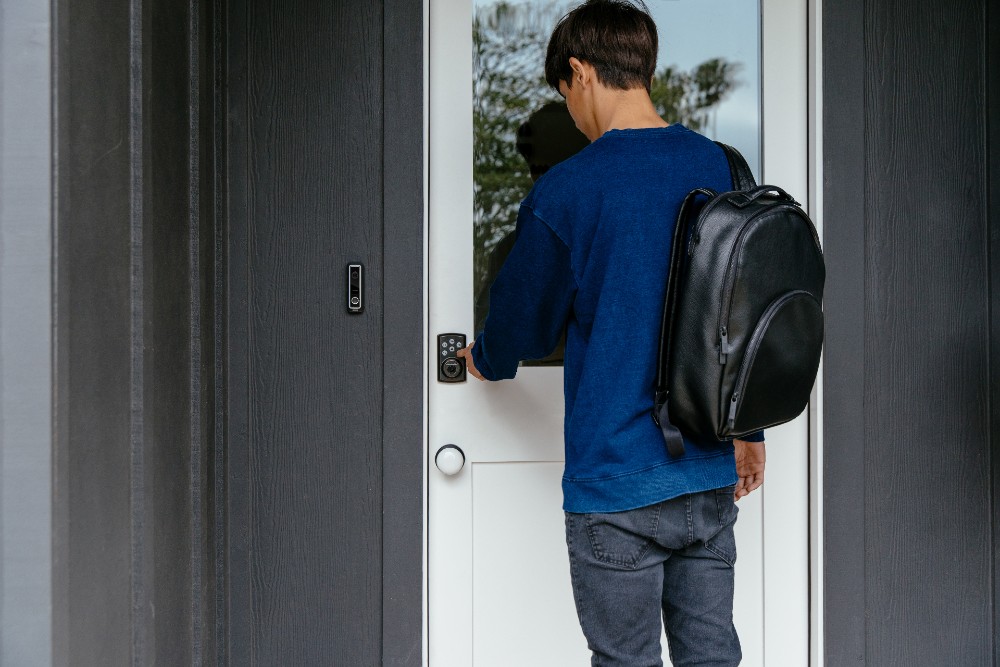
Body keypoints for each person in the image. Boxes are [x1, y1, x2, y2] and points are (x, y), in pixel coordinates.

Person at [457, 1, 766, 665]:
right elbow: (745, 310)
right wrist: (750, 430)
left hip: (617, 485)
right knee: (712, 658)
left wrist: (484, 357)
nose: (571, 110)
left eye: (565, 93)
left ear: (579, 72)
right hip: (707, 476)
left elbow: (522, 326)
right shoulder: (720, 166)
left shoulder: (568, 190)